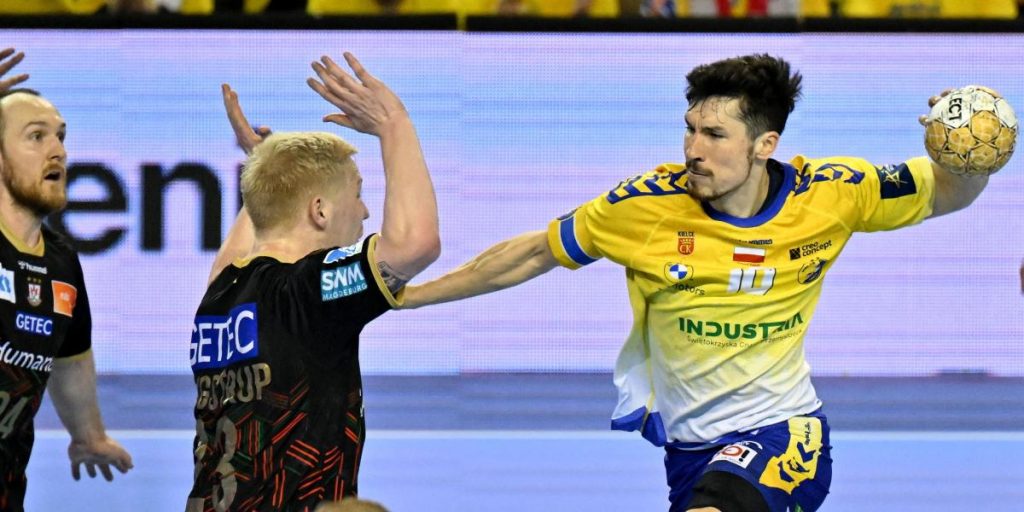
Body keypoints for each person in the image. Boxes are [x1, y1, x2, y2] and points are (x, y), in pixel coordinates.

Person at [400, 54, 997, 511]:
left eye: (714, 135)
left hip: (785, 434)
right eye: (689, 130)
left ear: (765, 145)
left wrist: (968, 159)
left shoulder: (834, 192)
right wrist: (409, 296)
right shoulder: (642, 206)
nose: (693, 149)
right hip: (689, 453)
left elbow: (948, 193)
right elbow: (533, 254)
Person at [186, 52, 440, 511]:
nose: (365, 212)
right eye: (358, 194)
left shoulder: (221, 292)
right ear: (319, 210)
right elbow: (415, 245)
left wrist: (262, 164)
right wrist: (394, 125)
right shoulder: (309, 291)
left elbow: (257, 225)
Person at [0, 48, 133, 510]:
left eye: (60, 136)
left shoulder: (61, 262)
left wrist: (88, 434)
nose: (57, 150)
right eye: (35, 136)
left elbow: (70, 360)